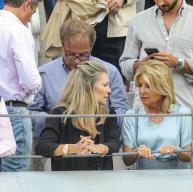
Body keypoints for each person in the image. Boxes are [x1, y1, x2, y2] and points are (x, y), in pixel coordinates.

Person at [31, 19, 129, 138]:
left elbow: (122, 111)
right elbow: (32, 112)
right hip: (58, 143)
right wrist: (58, 124)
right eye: (71, 55)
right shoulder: (44, 74)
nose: (77, 61)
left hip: (99, 141)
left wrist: (97, 125)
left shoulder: (110, 72)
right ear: (62, 47)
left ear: (91, 48)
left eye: (83, 55)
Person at [119, 0, 193, 112]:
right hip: (145, 112)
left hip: (183, 110)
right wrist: (140, 65)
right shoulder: (138, 20)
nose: (160, 3)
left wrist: (178, 62)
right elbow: (125, 63)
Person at [35, 61, 121, 171]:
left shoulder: (109, 114)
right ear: (87, 87)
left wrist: (98, 148)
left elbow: (115, 143)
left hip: (101, 182)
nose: (109, 90)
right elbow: (42, 147)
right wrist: (73, 148)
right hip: (67, 184)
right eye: (104, 85)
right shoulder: (60, 114)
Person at [121, 60, 192, 169]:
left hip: (177, 179)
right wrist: (137, 151)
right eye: (140, 85)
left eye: (148, 86)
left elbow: (188, 156)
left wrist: (176, 150)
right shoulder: (131, 116)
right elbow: (127, 160)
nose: (142, 91)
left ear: (162, 88)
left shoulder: (182, 113)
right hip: (144, 180)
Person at [0, 0, 42, 171]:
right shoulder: (18, 31)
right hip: (13, 110)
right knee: (15, 181)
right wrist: (38, 83)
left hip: (9, 107)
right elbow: (30, 81)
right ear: (27, 5)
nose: (31, 19)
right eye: (32, 12)